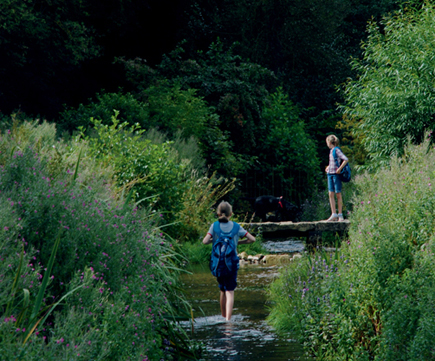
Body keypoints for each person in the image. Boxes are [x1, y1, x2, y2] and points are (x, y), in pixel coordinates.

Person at [202, 201, 256, 321]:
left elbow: (205, 241)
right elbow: (252, 239)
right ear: (231, 213)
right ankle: (228, 321)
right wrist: (237, 242)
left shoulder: (214, 226)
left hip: (218, 264)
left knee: (222, 290)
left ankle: (223, 316)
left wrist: (215, 240)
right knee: (230, 291)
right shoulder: (236, 227)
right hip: (231, 263)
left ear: (218, 213)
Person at [325, 135, 348, 222]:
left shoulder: (336, 150)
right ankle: (333, 214)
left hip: (336, 175)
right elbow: (333, 162)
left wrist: (339, 169)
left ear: (330, 142)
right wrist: (328, 167)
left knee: (338, 194)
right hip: (330, 174)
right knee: (331, 194)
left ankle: (340, 214)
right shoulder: (331, 151)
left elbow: (345, 159)